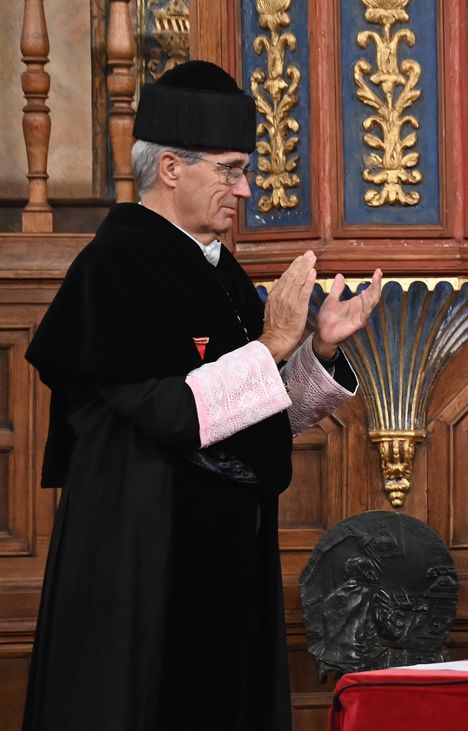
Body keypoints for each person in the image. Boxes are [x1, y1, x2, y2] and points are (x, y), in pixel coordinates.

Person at [22, 61, 382, 731]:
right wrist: (272, 343)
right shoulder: (118, 266)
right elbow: (176, 415)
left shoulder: (215, 267)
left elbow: (251, 407)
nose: (244, 190)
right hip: (146, 561)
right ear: (170, 169)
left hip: (220, 557)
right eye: (230, 169)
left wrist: (317, 348)